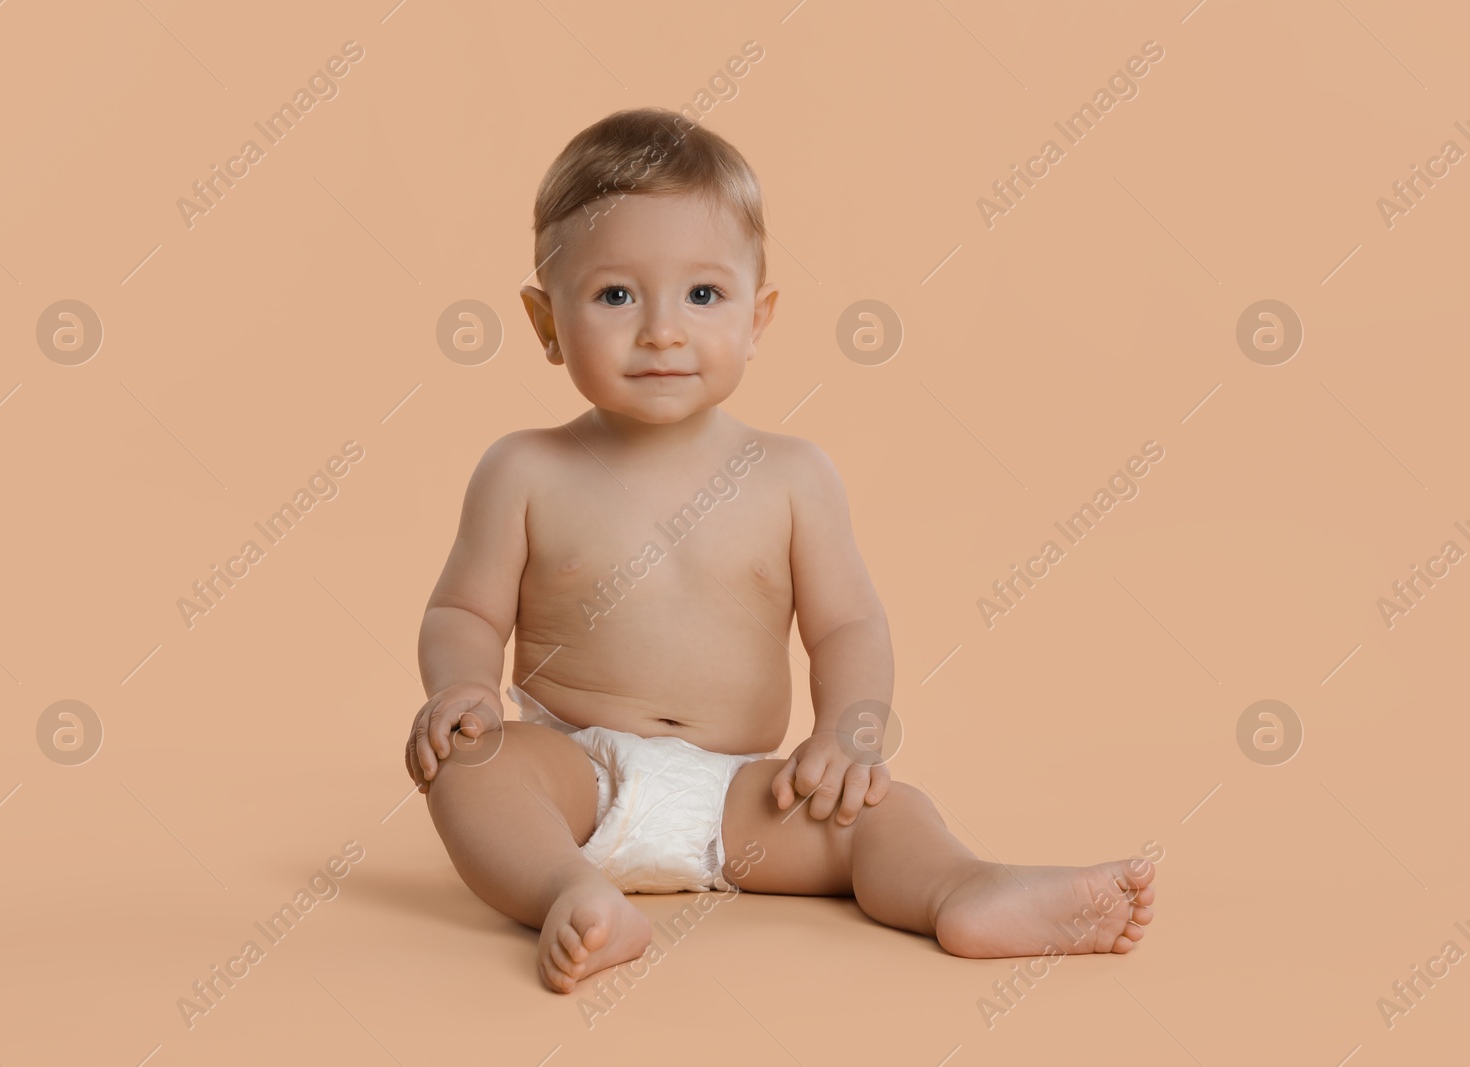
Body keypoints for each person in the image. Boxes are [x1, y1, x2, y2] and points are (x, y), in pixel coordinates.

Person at [407, 106, 1155, 993]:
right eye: (615, 295)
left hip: (739, 795)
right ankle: (572, 892)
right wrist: (460, 689)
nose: (661, 329)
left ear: (758, 318)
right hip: (575, 776)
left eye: (703, 295)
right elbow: (465, 608)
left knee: (885, 812)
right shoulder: (524, 469)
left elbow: (847, 625)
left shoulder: (793, 476)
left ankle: (964, 888)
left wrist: (848, 731)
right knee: (471, 772)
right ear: (546, 322)